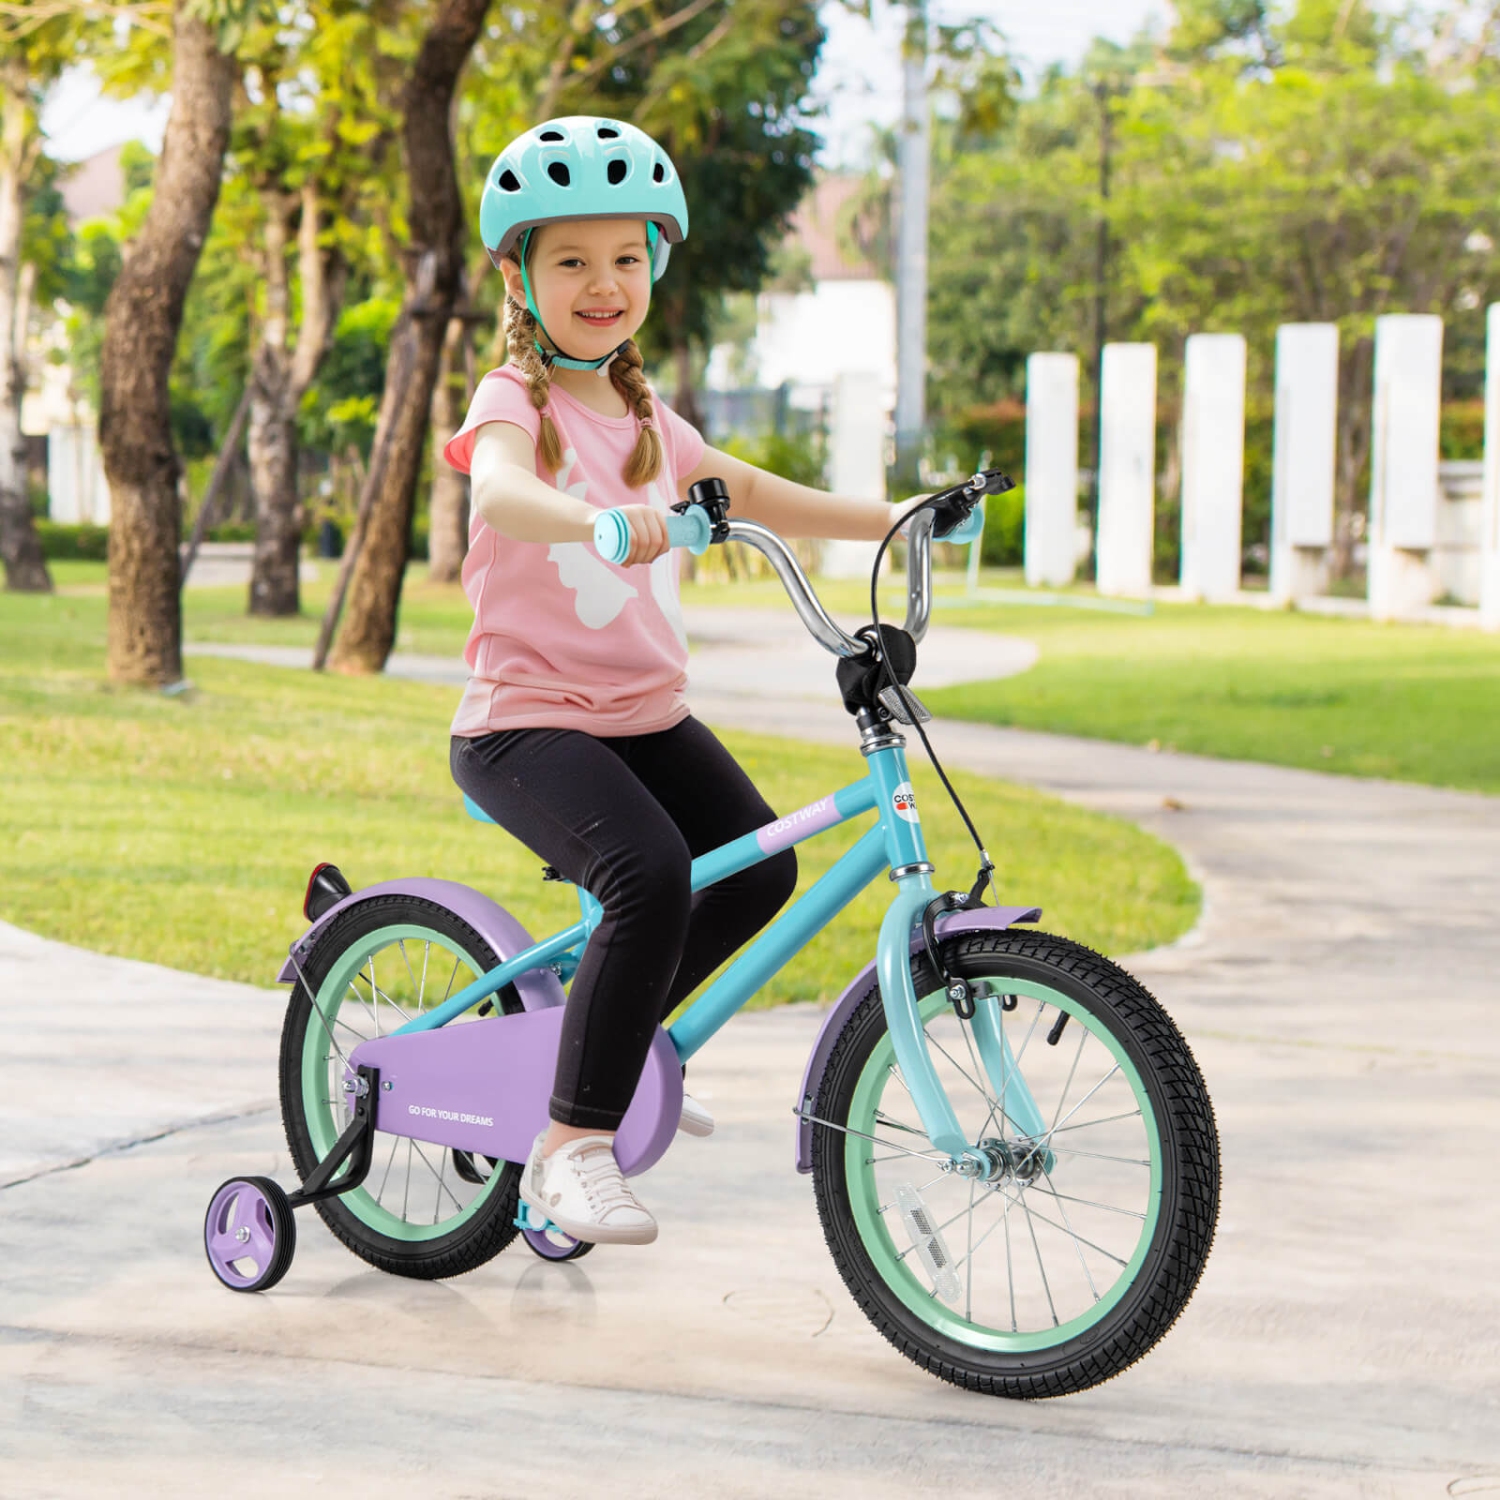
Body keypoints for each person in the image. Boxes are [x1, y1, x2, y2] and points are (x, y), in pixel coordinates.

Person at [445, 116, 926, 1247]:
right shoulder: (513, 397)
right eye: (569, 260)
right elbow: (500, 494)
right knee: (650, 874)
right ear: (521, 274)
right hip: (524, 725)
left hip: (644, 718)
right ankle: (571, 1145)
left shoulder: (650, 417)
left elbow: (754, 491)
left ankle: (604, 1057)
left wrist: (897, 517)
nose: (601, 284)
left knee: (758, 875)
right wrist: (603, 521)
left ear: (652, 265)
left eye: (624, 257)